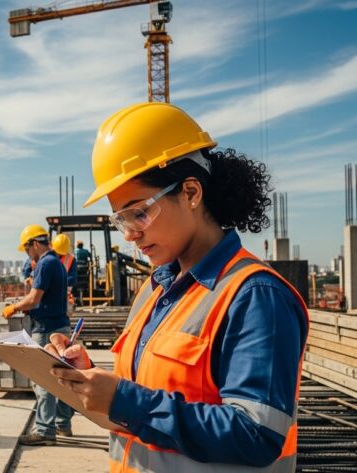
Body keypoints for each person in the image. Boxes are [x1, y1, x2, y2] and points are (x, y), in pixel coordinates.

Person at [47, 102, 308, 471]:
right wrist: (89, 377)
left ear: (190, 193)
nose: (130, 234)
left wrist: (124, 401)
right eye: (121, 219)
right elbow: (147, 393)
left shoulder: (254, 296)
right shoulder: (153, 290)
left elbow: (257, 434)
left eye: (139, 213)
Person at [1, 224, 74, 446]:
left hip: (46, 329)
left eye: (26, 249)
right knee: (61, 378)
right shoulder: (58, 263)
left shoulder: (45, 263)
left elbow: (34, 299)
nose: (27, 254)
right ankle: (62, 423)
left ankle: (44, 431)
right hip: (60, 326)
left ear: (34, 244)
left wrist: (14, 307)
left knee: (42, 380)